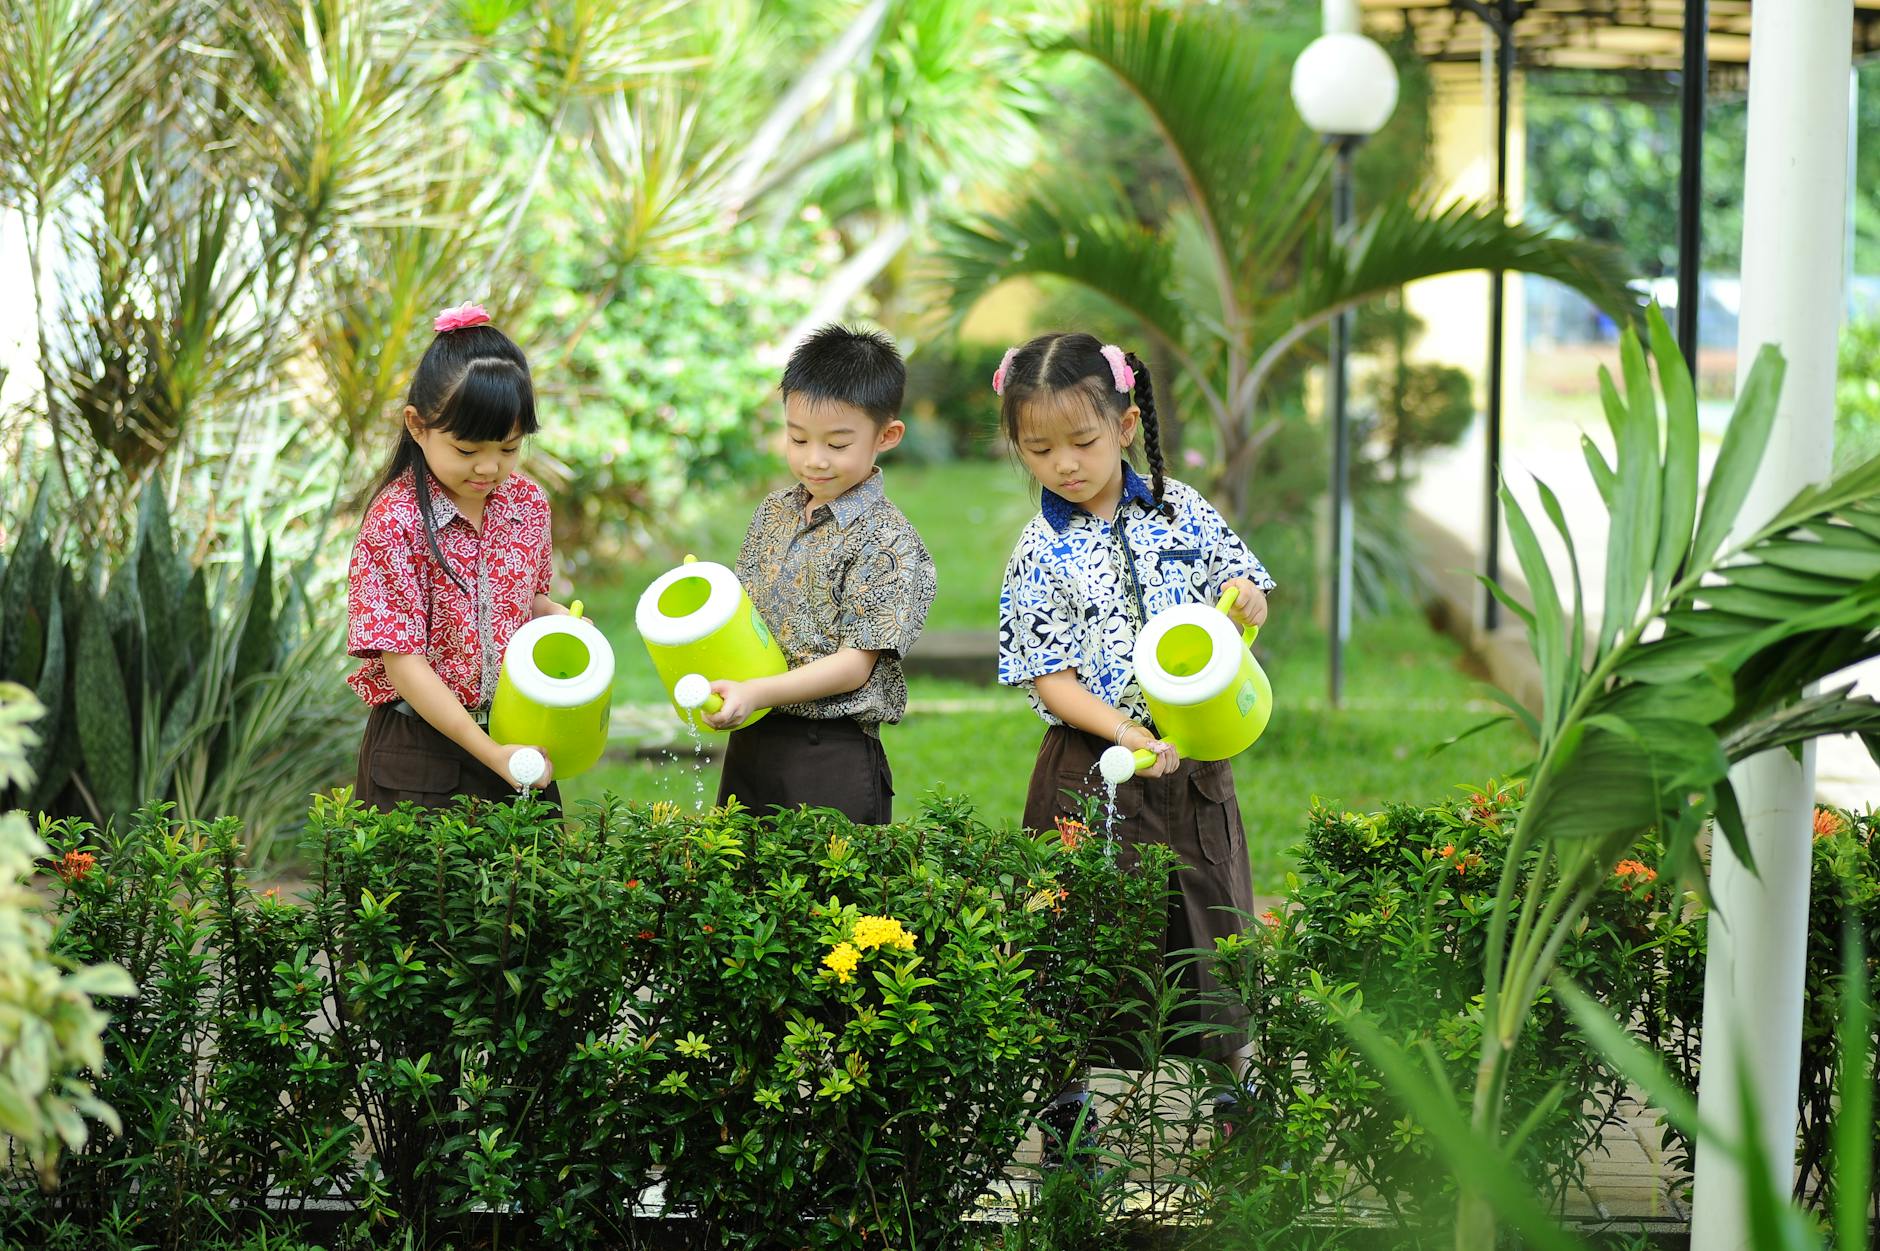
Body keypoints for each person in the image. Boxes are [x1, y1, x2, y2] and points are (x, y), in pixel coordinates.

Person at [993, 331, 1275, 1150]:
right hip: (1095, 764)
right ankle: (1071, 1117)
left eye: (1081, 442)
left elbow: (1242, 587)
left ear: (1122, 426)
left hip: (1195, 759)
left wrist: (1248, 600)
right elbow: (1049, 675)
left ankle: (1236, 1102)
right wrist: (1127, 731)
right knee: (1078, 938)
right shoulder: (1040, 547)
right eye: (1038, 449)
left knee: (1211, 921)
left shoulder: (1182, 507)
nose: (1063, 465)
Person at [701, 324, 937, 824]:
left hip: (831, 753)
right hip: (752, 737)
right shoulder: (773, 514)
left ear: (886, 436)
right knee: (739, 893)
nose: (814, 459)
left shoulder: (889, 541)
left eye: (836, 443)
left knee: (830, 899)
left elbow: (855, 666)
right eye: (798, 438)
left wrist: (756, 692)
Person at [347, 301, 569, 811]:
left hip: (519, 735)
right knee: (429, 891)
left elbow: (522, 600)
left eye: (509, 449)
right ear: (418, 426)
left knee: (530, 889)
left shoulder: (528, 504)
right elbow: (403, 662)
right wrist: (492, 753)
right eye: (467, 451)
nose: (490, 467)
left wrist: (556, 618)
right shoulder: (395, 521)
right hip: (419, 756)